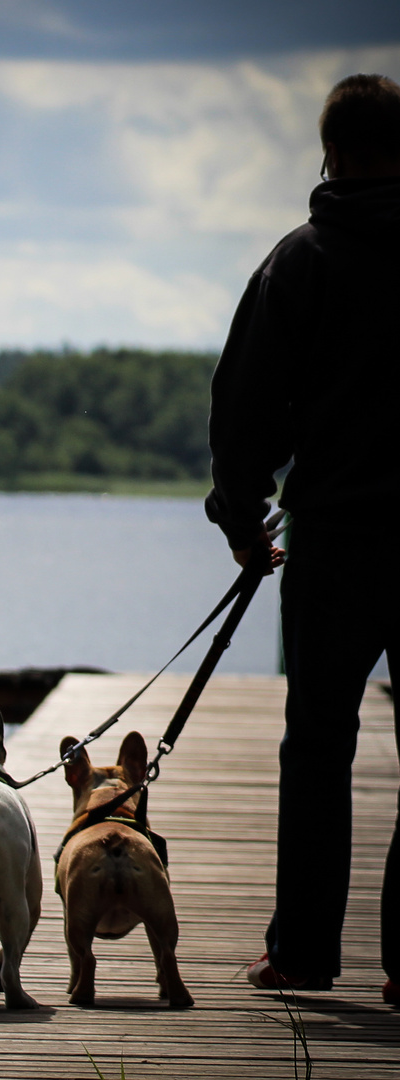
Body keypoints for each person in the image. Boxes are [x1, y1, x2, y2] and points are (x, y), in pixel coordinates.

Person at [205, 73, 400, 1005]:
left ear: (329, 154)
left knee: (318, 746)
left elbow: (245, 410)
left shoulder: (302, 259)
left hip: (335, 542)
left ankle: (302, 956)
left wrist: (242, 521)